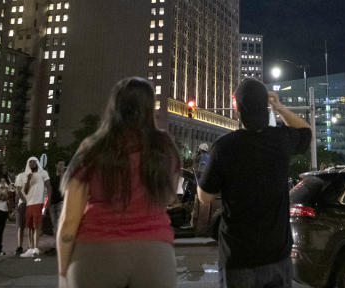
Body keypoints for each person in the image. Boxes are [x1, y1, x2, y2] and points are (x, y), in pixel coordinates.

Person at [57, 77, 180, 288]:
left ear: (114, 107)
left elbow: (69, 222)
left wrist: (62, 273)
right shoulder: (163, 147)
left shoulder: (92, 148)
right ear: (150, 109)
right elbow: (168, 198)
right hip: (154, 255)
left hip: (95, 253)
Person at [198, 78, 312, 288]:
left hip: (238, 257)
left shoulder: (223, 147)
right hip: (277, 256)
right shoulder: (281, 140)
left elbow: (205, 197)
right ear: (264, 107)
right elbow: (306, 132)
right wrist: (279, 107)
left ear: (237, 111)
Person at [15, 156, 50, 258]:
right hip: (27, 203)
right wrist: (29, 179)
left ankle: (35, 248)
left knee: (36, 226)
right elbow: (23, 191)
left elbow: (48, 187)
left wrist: (47, 202)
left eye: (34, 162)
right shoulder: (25, 175)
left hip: (37, 202)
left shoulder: (42, 173)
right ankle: (29, 248)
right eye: (30, 162)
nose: (32, 164)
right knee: (28, 226)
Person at [48, 160, 66, 234]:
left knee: (60, 224)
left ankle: (61, 243)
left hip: (61, 203)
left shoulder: (65, 177)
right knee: (54, 225)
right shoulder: (51, 176)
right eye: (60, 164)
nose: (62, 166)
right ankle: (57, 244)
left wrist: (62, 174)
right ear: (56, 165)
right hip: (52, 203)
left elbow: (62, 188)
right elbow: (49, 190)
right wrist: (47, 203)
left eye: (63, 165)